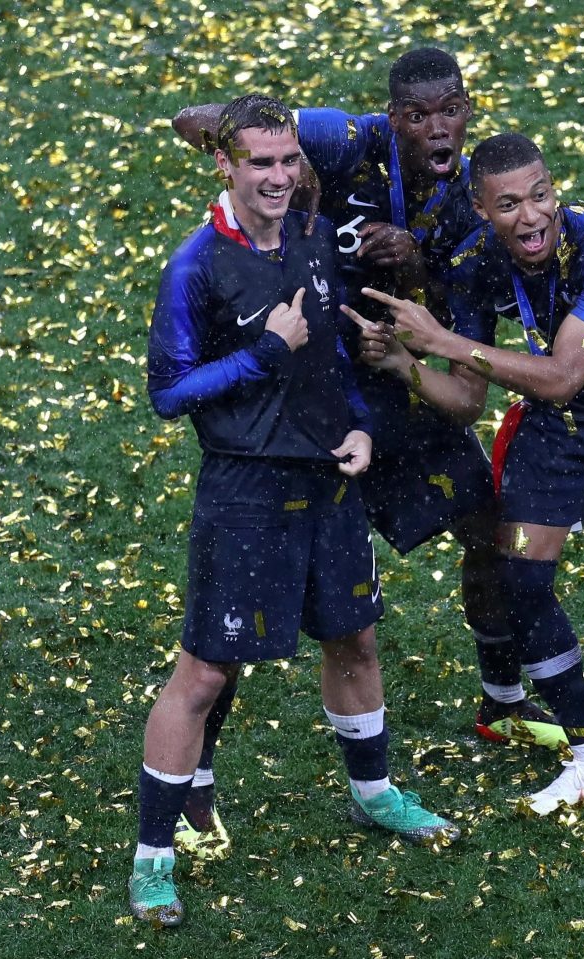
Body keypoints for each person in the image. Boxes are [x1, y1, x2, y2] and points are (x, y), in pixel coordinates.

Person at [168, 50, 566, 861]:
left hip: (390, 395)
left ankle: (499, 697)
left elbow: (465, 380)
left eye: (447, 110)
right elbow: (201, 123)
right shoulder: (345, 142)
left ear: (467, 110)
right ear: (392, 119)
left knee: (488, 529)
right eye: (415, 115)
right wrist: (263, 162)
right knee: (243, 607)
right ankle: (193, 787)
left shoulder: (475, 209)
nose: (434, 127)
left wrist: (418, 278)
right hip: (301, 403)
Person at [129, 94, 459, 929]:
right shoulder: (195, 266)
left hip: (329, 480)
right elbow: (168, 393)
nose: (279, 177)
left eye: (289, 161)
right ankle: (153, 859)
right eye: (261, 163)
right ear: (226, 165)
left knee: (355, 638)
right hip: (243, 490)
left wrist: (354, 420)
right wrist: (264, 353)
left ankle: (375, 792)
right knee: (204, 670)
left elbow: (333, 353)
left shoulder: (313, 239)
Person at [345, 133, 584, 822]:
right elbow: (465, 401)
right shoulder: (472, 263)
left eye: (542, 195)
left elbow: (562, 372)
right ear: (480, 209)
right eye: (511, 204)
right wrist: (405, 366)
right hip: (566, 423)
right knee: (516, 575)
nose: (532, 217)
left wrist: (440, 341)